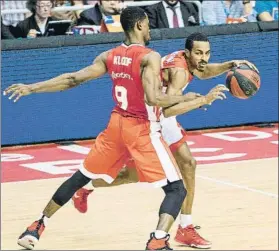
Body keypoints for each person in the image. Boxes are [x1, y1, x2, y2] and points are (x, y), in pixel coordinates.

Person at [3, 7, 198, 251]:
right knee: (176, 189)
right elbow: (153, 99)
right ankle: (158, 240)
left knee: (80, 177)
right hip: (141, 128)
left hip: (116, 126)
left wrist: (32, 88)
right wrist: (188, 98)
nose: (149, 29)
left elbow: (72, 79)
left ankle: (36, 226)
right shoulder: (150, 57)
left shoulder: (110, 55)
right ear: (139, 26)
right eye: (147, 25)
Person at [71, 33, 258, 249]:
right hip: (149, 117)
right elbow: (168, 110)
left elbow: (204, 70)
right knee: (133, 174)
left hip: (157, 114)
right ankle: (85, 185)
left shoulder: (187, 60)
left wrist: (230, 65)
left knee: (185, 164)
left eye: (207, 52)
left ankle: (185, 227)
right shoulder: (178, 71)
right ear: (188, 53)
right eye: (199, 53)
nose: (203, 57)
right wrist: (202, 101)